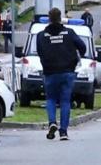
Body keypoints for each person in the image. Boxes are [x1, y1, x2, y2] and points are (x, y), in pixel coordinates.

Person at [36, 7, 87, 141]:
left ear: (49, 18)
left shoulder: (41, 36)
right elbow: (83, 47)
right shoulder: (69, 33)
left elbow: (39, 52)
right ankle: (63, 131)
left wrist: (46, 63)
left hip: (50, 72)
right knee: (65, 101)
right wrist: (75, 59)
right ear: (60, 18)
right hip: (67, 72)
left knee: (51, 99)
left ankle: (52, 122)